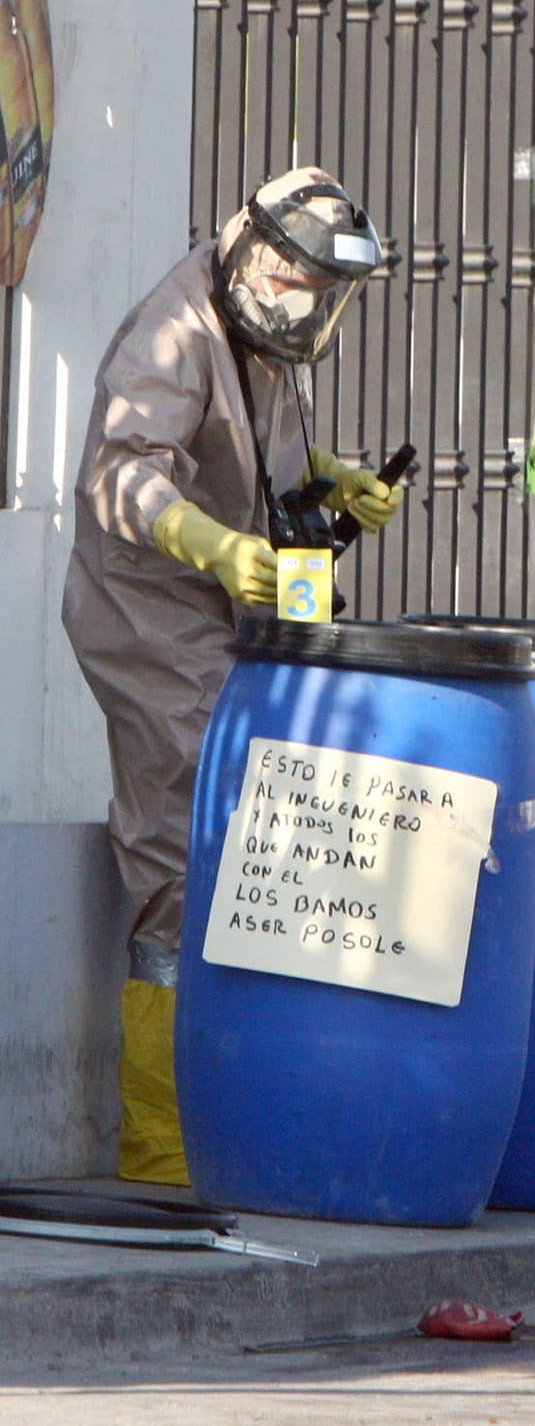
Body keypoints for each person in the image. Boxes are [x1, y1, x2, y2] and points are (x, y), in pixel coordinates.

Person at [62, 166, 405, 1185]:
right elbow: (121, 472)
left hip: (217, 614)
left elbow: (259, 454)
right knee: (184, 854)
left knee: (251, 852)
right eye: (303, 281)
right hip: (151, 615)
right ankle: (163, 1143)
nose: (312, 308)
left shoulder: (258, 333)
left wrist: (331, 477)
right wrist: (210, 544)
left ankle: (235, 1113)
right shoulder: (174, 328)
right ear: (256, 253)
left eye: (326, 291)